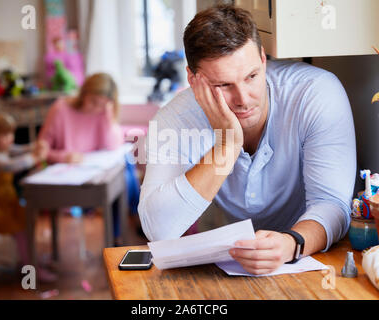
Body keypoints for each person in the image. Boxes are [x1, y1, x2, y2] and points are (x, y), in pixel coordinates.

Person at [138, 5, 357, 275]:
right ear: (194, 80)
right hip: (219, 265)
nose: (243, 99)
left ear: (263, 60)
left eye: (251, 76)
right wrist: (226, 146)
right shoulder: (175, 118)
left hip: (301, 255)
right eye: (223, 85)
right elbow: (159, 229)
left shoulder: (317, 94)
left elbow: (332, 204)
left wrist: (291, 243)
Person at [38, 72, 141, 244]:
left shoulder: (102, 113)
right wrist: (63, 156)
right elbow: (42, 149)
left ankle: (121, 231)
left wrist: (107, 117)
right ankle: (130, 223)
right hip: (71, 174)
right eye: (93, 102)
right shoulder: (60, 108)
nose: (96, 109)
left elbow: (113, 146)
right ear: (84, 93)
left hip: (93, 168)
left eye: (102, 105)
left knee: (126, 165)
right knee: (125, 174)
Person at [0, 112, 57, 282]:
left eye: (11, 133)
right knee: (22, 230)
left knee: (28, 224)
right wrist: (35, 156)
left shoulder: (1, 148)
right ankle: (30, 269)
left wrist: (35, 145)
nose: (11, 138)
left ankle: (29, 258)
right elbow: (12, 165)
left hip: (6, 202)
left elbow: (19, 148)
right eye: (6, 135)